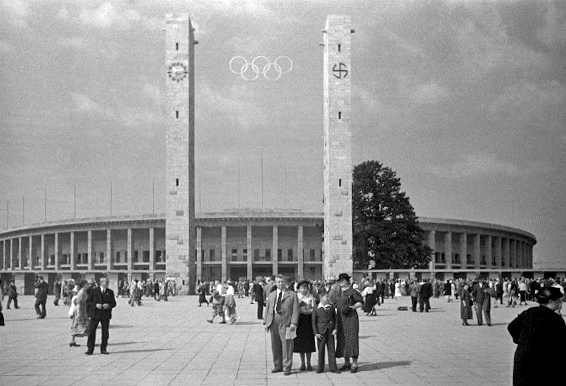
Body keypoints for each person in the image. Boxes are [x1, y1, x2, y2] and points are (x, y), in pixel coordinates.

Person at [508, 287, 566, 385]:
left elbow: (512, 327)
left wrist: (522, 341)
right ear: (551, 301)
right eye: (559, 301)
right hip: (544, 363)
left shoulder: (529, 312)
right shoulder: (556, 320)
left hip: (523, 360)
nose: (561, 304)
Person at [264, 275, 299, 376]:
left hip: (287, 322)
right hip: (274, 320)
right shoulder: (272, 294)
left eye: (282, 281)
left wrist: (294, 323)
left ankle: (287, 367)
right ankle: (277, 365)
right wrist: (266, 322)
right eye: (278, 282)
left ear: (286, 282)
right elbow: (268, 308)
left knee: (287, 345)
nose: (281, 283)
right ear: (275, 283)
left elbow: (296, 310)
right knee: (275, 344)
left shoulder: (292, 294)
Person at [334, 273, 363, 373]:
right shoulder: (337, 292)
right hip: (340, 319)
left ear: (347, 281)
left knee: (352, 338)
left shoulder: (352, 291)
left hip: (351, 318)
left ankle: (354, 363)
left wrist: (353, 307)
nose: (341, 282)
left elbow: (360, 302)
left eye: (343, 280)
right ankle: (346, 363)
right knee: (342, 339)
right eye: (340, 280)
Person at [86, 277, 116, 355]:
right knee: (91, 332)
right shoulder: (94, 291)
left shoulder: (110, 292)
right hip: (95, 314)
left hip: (105, 315)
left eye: (108, 282)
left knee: (105, 333)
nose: (107, 283)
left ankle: (103, 349)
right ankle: (90, 349)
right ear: (101, 282)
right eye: (106, 282)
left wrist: (108, 305)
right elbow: (88, 302)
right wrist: (95, 305)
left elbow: (114, 303)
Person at [312, 294, 339, 373]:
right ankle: (320, 368)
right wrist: (316, 333)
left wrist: (335, 329)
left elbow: (336, 319)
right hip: (321, 332)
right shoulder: (316, 308)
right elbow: (313, 322)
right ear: (321, 298)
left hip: (330, 331)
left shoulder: (331, 307)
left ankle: (333, 368)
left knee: (331, 349)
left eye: (328, 297)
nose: (328, 298)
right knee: (321, 350)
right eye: (326, 297)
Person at [294, 280, 316, 371]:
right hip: (300, 321)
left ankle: (309, 363)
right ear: (298, 289)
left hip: (308, 321)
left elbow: (314, 309)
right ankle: (302, 363)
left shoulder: (311, 297)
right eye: (301, 288)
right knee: (301, 344)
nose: (303, 290)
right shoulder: (297, 297)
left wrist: (310, 310)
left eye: (305, 288)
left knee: (309, 343)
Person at [69, 280, 90, 347]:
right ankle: (89, 342)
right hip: (81, 311)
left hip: (82, 310)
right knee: (86, 326)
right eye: (87, 284)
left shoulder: (83, 291)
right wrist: (79, 312)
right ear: (84, 284)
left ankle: (73, 341)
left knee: (76, 326)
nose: (88, 285)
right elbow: (78, 303)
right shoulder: (82, 292)